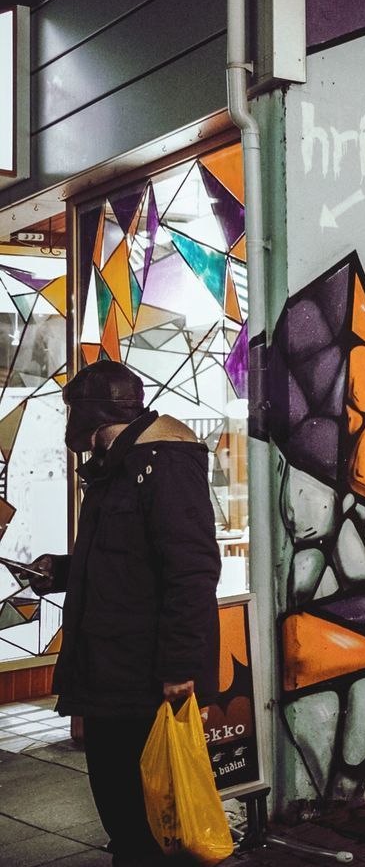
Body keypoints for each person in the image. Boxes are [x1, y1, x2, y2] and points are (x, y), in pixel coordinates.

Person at [31, 360, 221, 866]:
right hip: (110, 671)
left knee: (147, 820)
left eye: (71, 410)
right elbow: (129, 559)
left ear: (89, 415)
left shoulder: (162, 463)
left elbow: (193, 569)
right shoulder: (119, 466)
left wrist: (180, 667)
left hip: (142, 676)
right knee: (122, 813)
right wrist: (64, 571)